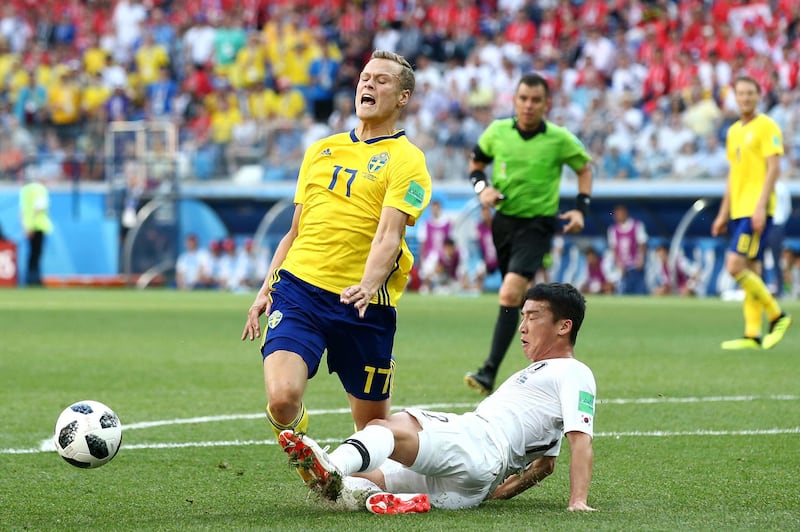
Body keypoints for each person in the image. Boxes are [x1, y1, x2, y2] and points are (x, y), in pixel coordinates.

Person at [240, 50, 432, 465]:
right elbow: (295, 231)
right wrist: (264, 290)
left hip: (362, 304)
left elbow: (389, 233)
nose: (369, 84)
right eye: (365, 77)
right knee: (282, 399)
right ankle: (305, 447)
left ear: (403, 97)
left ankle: (441, 459)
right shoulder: (321, 150)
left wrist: (367, 283)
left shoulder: (408, 160)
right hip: (299, 291)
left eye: (382, 80)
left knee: (375, 436)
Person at [280, 283, 597, 514]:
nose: (522, 327)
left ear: (564, 326)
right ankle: (366, 497)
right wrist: (496, 493)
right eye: (523, 316)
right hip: (473, 485)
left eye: (533, 317)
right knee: (368, 476)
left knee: (387, 427)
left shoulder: (573, 371)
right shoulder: (546, 377)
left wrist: (578, 501)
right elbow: (546, 464)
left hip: (481, 440)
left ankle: (331, 467)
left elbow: (580, 440)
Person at [464, 73, 594, 395]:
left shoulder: (560, 139)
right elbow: (476, 163)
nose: (529, 105)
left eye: (536, 100)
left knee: (509, 294)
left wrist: (581, 209)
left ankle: (488, 371)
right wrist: (483, 189)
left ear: (547, 104)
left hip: (537, 224)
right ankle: (544, 359)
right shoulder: (497, 132)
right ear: (515, 100)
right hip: (504, 222)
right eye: (523, 99)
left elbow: (584, 168)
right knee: (519, 297)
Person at [710, 76, 792, 350]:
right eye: (740, 93)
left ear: (759, 96)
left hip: (755, 210)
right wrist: (723, 213)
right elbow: (733, 175)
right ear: (734, 96)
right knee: (752, 269)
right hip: (737, 209)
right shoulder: (733, 130)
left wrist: (760, 206)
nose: (744, 98)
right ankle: (752, 334)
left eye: (750, 93)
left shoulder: (767, 126)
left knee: (735, 266)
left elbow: (774, 168)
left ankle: (778, 315)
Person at [19, 175, 53, 286]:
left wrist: (26, 227)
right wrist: (32, 225)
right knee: (37, 254)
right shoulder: (41, 190)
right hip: (38, 226)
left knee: (32, 254)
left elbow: (22, 211)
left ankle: (30, 279)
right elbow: (39, 207)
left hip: (29, 227)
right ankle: (35, 280)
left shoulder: (25, 190)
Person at [607, 204, 648, 295]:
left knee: (639, 290)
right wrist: (618, 264)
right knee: (624, 291)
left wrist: (641, 259)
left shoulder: (637, 225)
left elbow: (642, 243)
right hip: (623, 267)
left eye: (620, 213)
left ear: (625, 213)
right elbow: (614, 248)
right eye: (616, 214)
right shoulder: (612, 229)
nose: (618, 216)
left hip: (635, 266)